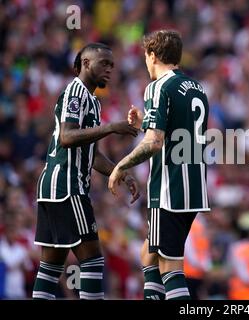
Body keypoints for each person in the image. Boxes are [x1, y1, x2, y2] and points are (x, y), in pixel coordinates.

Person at [32, 43, 140, 300]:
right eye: (104, 63)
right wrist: (112, 127)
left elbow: (91, 155)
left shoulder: (91, 100)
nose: (109, 69)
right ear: (86, 63)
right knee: (92, 260)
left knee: (50, 268)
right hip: (67, 186)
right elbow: (68, 138)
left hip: (54, 188)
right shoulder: (75, 92)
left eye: (112, 65)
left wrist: (120, 172)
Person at [108, 30, 210, 300]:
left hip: (169, 189)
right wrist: (146, 124)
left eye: (145, 56)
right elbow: (175, 136)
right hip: (195, 189)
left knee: (169, 265)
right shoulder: (197, 88)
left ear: (152, 55)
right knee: (149, 254)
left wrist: (121, 165)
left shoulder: (158, 87)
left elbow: (154, 144)